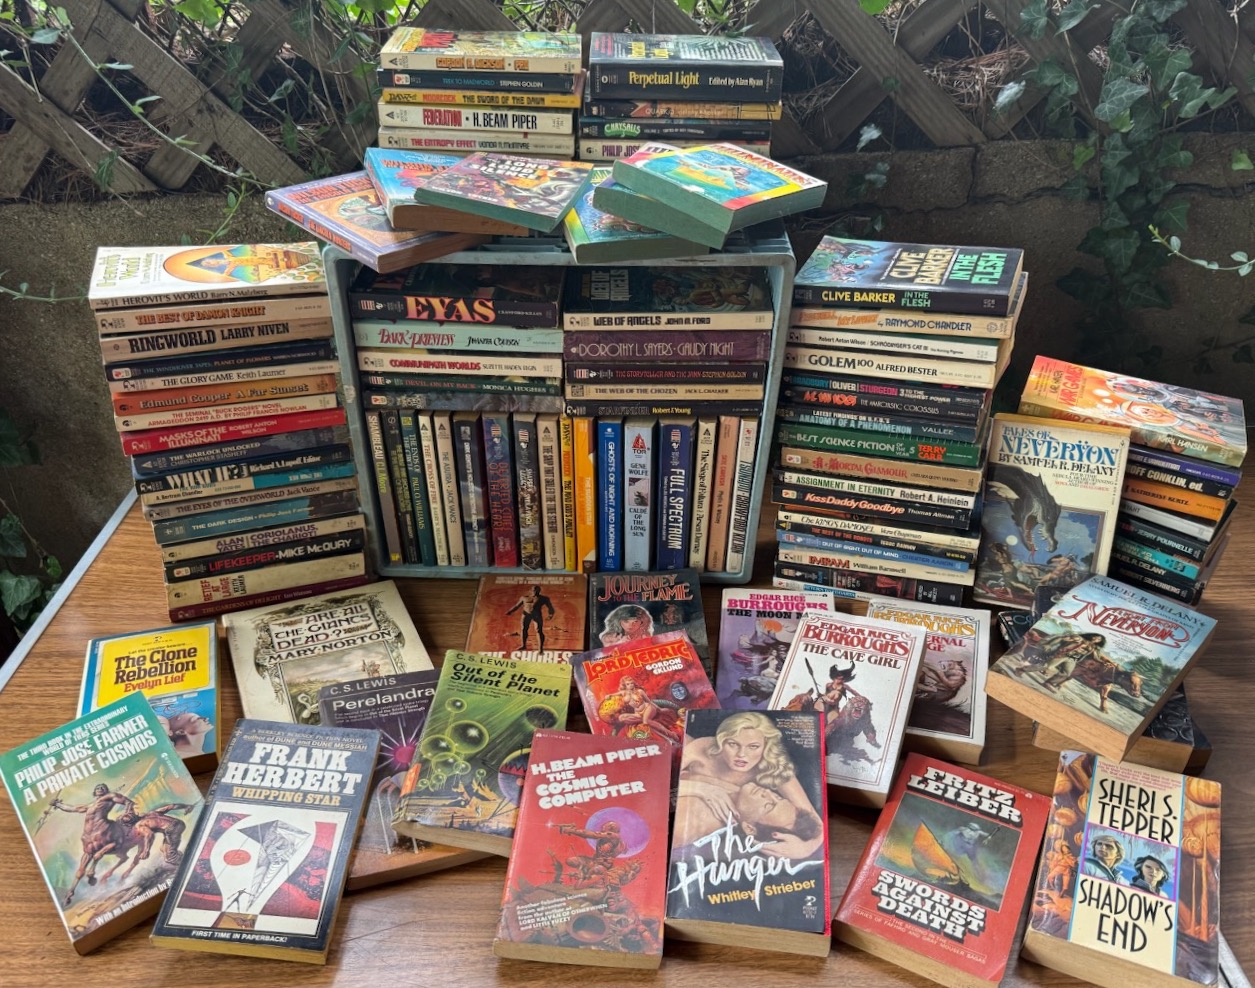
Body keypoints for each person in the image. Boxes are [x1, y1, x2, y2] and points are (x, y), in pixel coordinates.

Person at [678, 711, 824, 860]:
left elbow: (812, 816)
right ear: (721, 741)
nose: (742, 754)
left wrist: (806, 849)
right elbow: (666, 782)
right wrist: (702, 789)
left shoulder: (774, 767)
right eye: (733, 744)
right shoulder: (702, 748)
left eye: (753, 746)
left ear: (766, 746)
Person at [506, 585, 555, 653]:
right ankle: (523, 645)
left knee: (538, 630)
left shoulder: (544, 598)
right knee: (524, 629)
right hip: (526, 615)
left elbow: (550, 607)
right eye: (533, 590)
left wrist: (550, 615)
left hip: (537, 615)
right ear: (531, 590)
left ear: (539, 591)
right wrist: (510, 611)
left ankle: (540, 649)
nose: (535, 591)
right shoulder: (524, 598)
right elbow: (517, 606)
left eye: (536, 590)